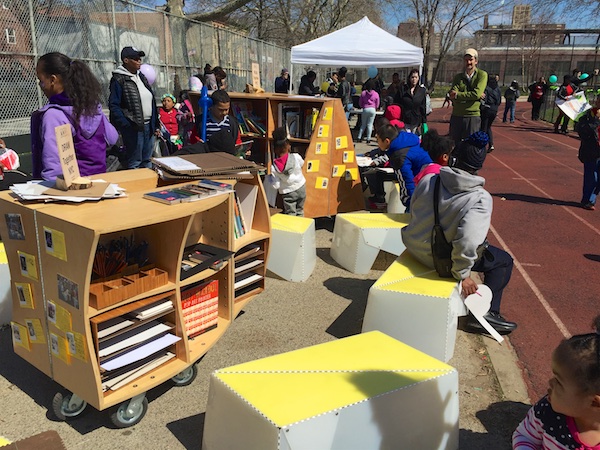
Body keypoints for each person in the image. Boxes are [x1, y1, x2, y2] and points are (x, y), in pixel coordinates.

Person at [401, 131, 517, 335]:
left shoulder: (430, 180)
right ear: (479, 166)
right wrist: (463, 275)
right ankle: (484, 315)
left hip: (414, 247)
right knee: (503, 261)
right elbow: (468, 242)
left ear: (454, 157)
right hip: (438, 260)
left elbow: (414, 210)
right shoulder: (479, 198)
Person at [512, 316, 600, 449]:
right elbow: (525, 436)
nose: (550, 383)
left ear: (594, 401)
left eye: (559, 382)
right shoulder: (547, 411)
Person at [30, 52, 118, 181]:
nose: (41, 86)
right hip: (99, 184)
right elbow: (112, 137)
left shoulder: (54, 115)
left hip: (72, 191)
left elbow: (53, 165)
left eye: (41, 81)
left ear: (53, 80)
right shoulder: (92, 109)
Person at [109, 46, 158, 170]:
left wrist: (155, 124)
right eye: (135, 58)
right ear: (126, 60)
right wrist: (126, 124)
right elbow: (114, 105)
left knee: (147, 160)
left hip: (148, 127)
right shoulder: (119, 79)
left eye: (140, 58)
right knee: (135, 162)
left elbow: (151, 101)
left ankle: (148, 187)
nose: (139, 61)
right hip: (134, 128)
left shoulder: (141, 77)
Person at [376, 124, 432, 209]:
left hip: (423, 184)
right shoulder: (407, 139)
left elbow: (407, 181)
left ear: (387, 141)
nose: (378, 144)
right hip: (431, 176)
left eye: (378, 140)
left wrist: (409, 203)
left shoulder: (399, 156)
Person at [448, 48, 488, 146]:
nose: (468, 62)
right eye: (466, 60)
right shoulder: (458, 77)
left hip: (472, 115)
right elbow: (452, 94)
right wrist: (472, 96)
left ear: (476, 61)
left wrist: (459, 95)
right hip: (457, 115)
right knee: (453, 145)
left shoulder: (482, 75)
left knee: (470, 146)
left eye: (471, 59)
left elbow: (476, 94)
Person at [270, 126, 306, 216]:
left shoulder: (274, 167)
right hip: (301, 187)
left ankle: (293, 229)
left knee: (291, 213)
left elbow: (276, 185)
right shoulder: (296, 156)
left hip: (288, 192)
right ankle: (302, 227)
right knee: (300, 210)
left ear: (275, 149)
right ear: (288, 146)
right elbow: (302, 163)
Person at [576, 96, 600, 210]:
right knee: (592, 177)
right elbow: (582, 131)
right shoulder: (589, 115)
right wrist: (595, 121)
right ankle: (588, 200)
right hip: (591, 150)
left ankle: (591, 198)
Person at [395, 68, 428, 135]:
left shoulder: (421, 91)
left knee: (413, 138)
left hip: (415, 120)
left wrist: (424, 121)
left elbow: (423, 106)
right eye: (412, 77)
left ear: (418, 78)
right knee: (405, 138)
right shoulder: (403, 89)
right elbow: (397, 102)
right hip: (404, 119)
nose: (414, 79)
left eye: (416, 77)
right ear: (409, 78)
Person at [480, 75, 502, 152]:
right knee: (489, 127)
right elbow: (499, 101)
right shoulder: (498, 89)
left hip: (487, 108)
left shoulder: (486, 88)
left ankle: (482, 145)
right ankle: (491, 144)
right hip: (495, 109)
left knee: (484, 127)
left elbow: (484, 99)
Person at [356, 79, 380, 144]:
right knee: (370, 124)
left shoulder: (363, 93)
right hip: (372, 109)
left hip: (365, 109)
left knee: (363, 124)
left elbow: (360, 102)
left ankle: (359, 137)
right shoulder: (376, 94)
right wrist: (376, 107)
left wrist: (362, 106)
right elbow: (377, 103)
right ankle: (368, 139)